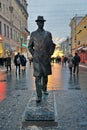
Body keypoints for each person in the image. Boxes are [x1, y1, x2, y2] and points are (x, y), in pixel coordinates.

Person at [28, 16, 55, 103]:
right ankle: (39, 95)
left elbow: (51, 45)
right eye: (39, 22)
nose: (41, 23)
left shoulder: (48, 34)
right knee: (37, 78)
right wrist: (34, 54)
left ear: (44, 23)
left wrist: (50, 54)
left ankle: (44, 89)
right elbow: (29, 46)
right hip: (37, 60)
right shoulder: (33, 34)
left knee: (45, 77)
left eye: (42, 22)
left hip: (46, 59)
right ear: (37, 23)